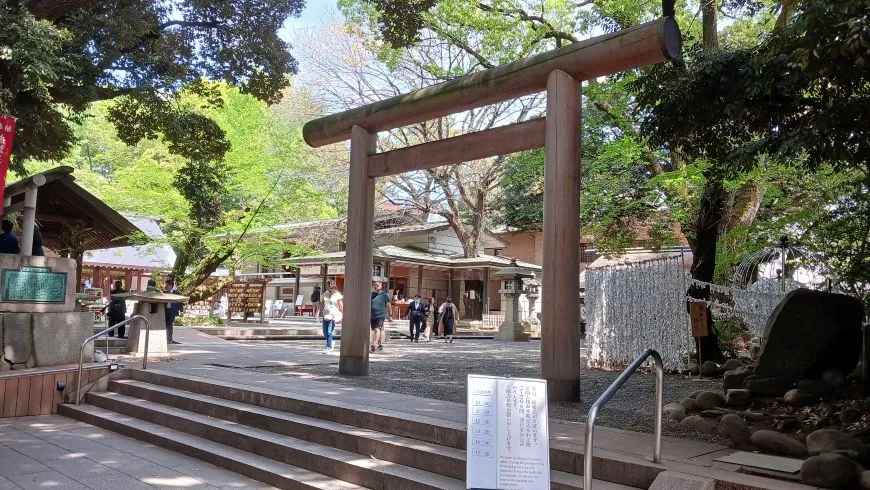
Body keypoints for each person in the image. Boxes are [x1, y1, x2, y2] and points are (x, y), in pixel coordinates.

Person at [319, 280, 342, 354]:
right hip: (325, 315)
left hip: (333, 316)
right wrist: (319, 312)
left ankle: (328, 347)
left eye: (330, 285)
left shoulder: (337, 295)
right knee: (325, 332)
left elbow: (340, 305)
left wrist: (342, 314)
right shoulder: (324, 294)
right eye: (328, 285)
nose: (329, 287)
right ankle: (331, 342)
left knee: (329, 332)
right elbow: (322, 304)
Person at [370, 282, 391, 352]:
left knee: (377, 329)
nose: (376, 287)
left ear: (381, 286)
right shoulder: (372, 294)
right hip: (372, 315)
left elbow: (389, 305)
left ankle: (374, 344)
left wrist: (390, 315)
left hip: (380, 315)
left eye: (377, 285)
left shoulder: (384, 295)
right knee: (378, 330)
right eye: (374, 285)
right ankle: (380, 344)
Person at [164, 278, 182, 345]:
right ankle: (165, 339)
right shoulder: (164, 293)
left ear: (171, 286)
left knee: (170, 325)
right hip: (166, 311)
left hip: (173, 311)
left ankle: (169, 339)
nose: (166, 286)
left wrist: (181, 311)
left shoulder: (176, 293)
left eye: (167, 285)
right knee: (165, 325)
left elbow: (180, 303)